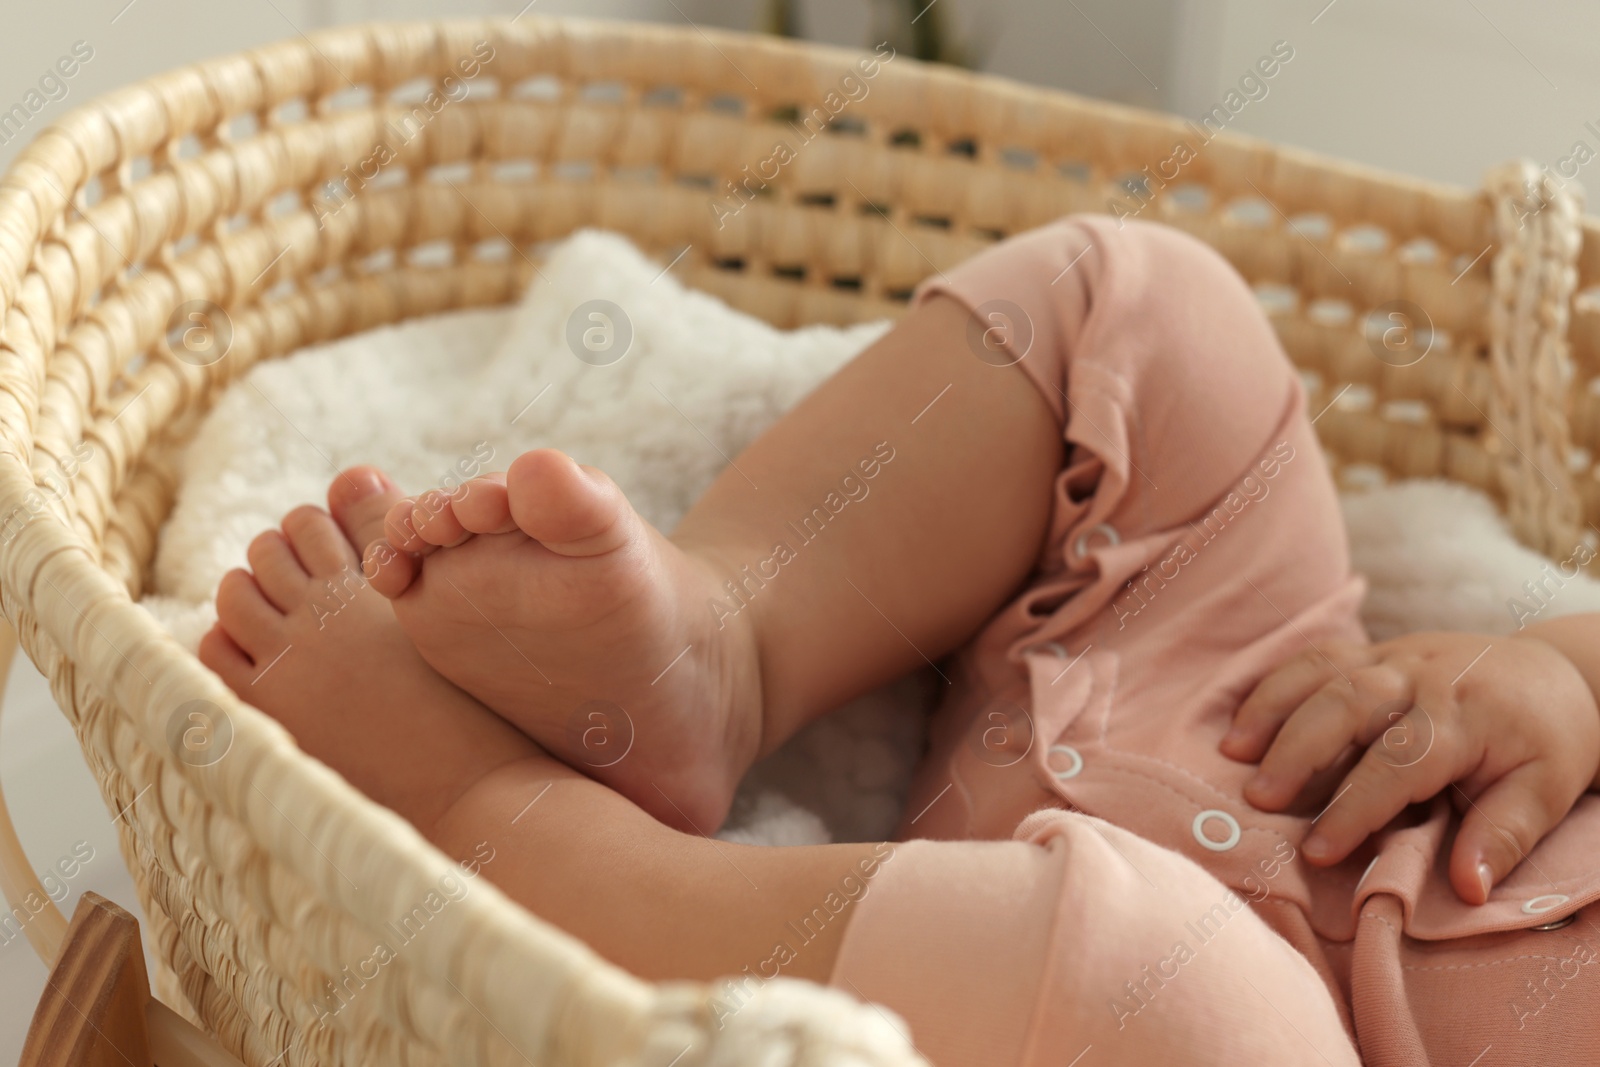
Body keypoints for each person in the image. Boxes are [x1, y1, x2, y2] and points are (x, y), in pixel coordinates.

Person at [201, 215, 1600, 1066]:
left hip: (1224, 1031)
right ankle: (727, 655)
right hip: (1265, 714)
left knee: (1173, 1000)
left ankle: (482, 809)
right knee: (1152, 315)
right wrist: (1555, 679)